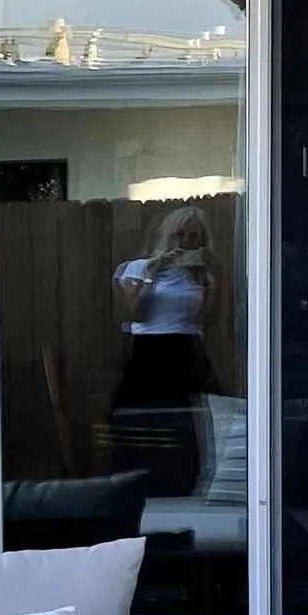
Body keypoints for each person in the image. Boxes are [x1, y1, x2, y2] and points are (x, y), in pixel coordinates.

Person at [108, 205, 218, 495]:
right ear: (167, 235)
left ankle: (181, 487)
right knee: (142, 421)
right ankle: (133, 489)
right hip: (150, 351)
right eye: (179, 235)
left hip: (186, 349)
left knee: (184, 424)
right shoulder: (138, 267)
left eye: (193, 237)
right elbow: (135, 314)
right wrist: (153, 274)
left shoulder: (198, 275)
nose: (185, 242)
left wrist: (209, 280)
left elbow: (206, 320)